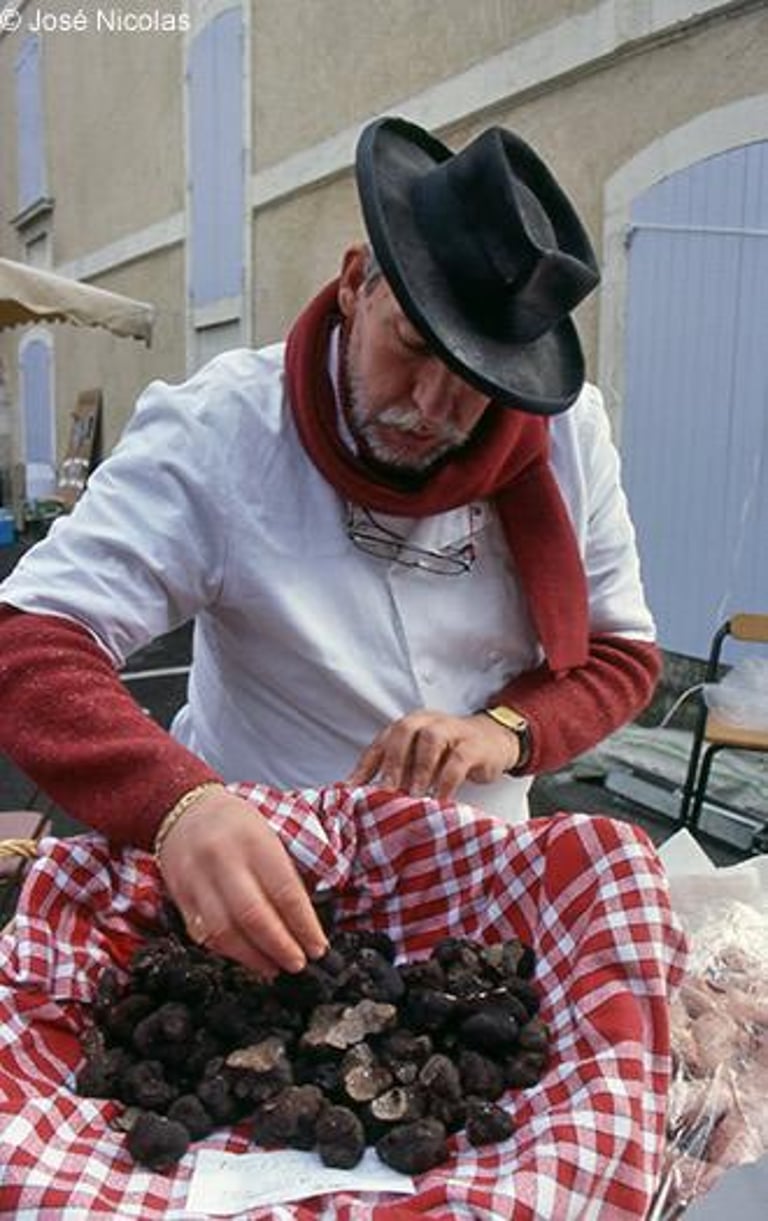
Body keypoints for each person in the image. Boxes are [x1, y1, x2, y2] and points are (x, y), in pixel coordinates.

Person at [0, 116, 659, 979]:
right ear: (357, 283)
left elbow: (620, 654)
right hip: (254, 874)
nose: (429, 405)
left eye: (478, 387)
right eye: (412, 348)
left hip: (479, 887)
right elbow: (34, 637)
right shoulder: (219, 429)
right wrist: (177, 803)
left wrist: (505, 729)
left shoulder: (567, 434)